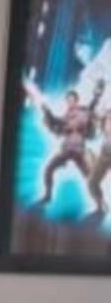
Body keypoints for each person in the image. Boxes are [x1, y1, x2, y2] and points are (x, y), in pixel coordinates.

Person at [23, 76, 105, 208]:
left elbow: (92, 105)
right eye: (68, 100)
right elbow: (54, 121)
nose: (70, 102)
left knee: (91, 179)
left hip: (79, 151)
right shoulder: (65, 118)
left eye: (72, 100)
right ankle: (48, 196)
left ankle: (100, 203)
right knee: (48, 170)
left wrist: (98, 93)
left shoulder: (83, 112)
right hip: (66, 149)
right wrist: (46, 110)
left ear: (76, 101)